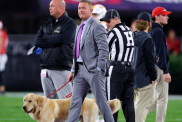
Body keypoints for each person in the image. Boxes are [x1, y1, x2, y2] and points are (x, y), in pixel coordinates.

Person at [66, 0, 115, 122]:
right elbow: (77, 51)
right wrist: (73, 69)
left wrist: (98, 68)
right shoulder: (79, 27)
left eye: (83, 8)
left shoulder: (97, 26)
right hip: (79, 71)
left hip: (93, 71)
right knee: (75, 104)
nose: (81, 10)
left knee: (102, 103)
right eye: (79, 8)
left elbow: (104, 50)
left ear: (90, 10)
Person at [34, 0, 76, 99]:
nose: (49, 8)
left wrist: (46, 37)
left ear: (61, 8)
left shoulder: (70, 23)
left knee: (66, 104)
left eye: (52, 6)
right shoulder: (47, 23)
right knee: (49, 106)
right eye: (49, 6)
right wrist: (55, 40)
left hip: (61, 68)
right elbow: (37, 41)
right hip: (45, 68)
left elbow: (63, 39)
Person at [100, 9, 135, 122]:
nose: (107, 24)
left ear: (116, 19)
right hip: (130, 69)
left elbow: (103, 50)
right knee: (128, 104)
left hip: (117, 69)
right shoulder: (129, 30)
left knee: (112, 103)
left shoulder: (113, 33)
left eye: (108, 21)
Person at [147, 7, 172, 122]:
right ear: (156, 17)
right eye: (164, 15)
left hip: (154, 67)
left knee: (158, 98)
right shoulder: (157, 31)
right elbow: (160, 53)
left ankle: (139, 112)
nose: (167, 16)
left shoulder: (154, 30)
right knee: (162, 99)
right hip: (160, 68)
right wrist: (165, 71)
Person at [133, 12, 157, 122]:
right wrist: (153, 77)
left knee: (141, 104)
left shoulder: (131, 36)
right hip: (144, 78)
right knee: (143, 106)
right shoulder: (148, 39)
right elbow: (149, 61)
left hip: (131, 77)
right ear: (149, 24)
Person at [0, 21, 8, 94]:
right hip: (2, 54)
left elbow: (2, 44)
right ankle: (2, 89)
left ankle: (2, 89)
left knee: (1, 72)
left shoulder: (2, 33)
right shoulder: (4, 33)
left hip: (1, 55)